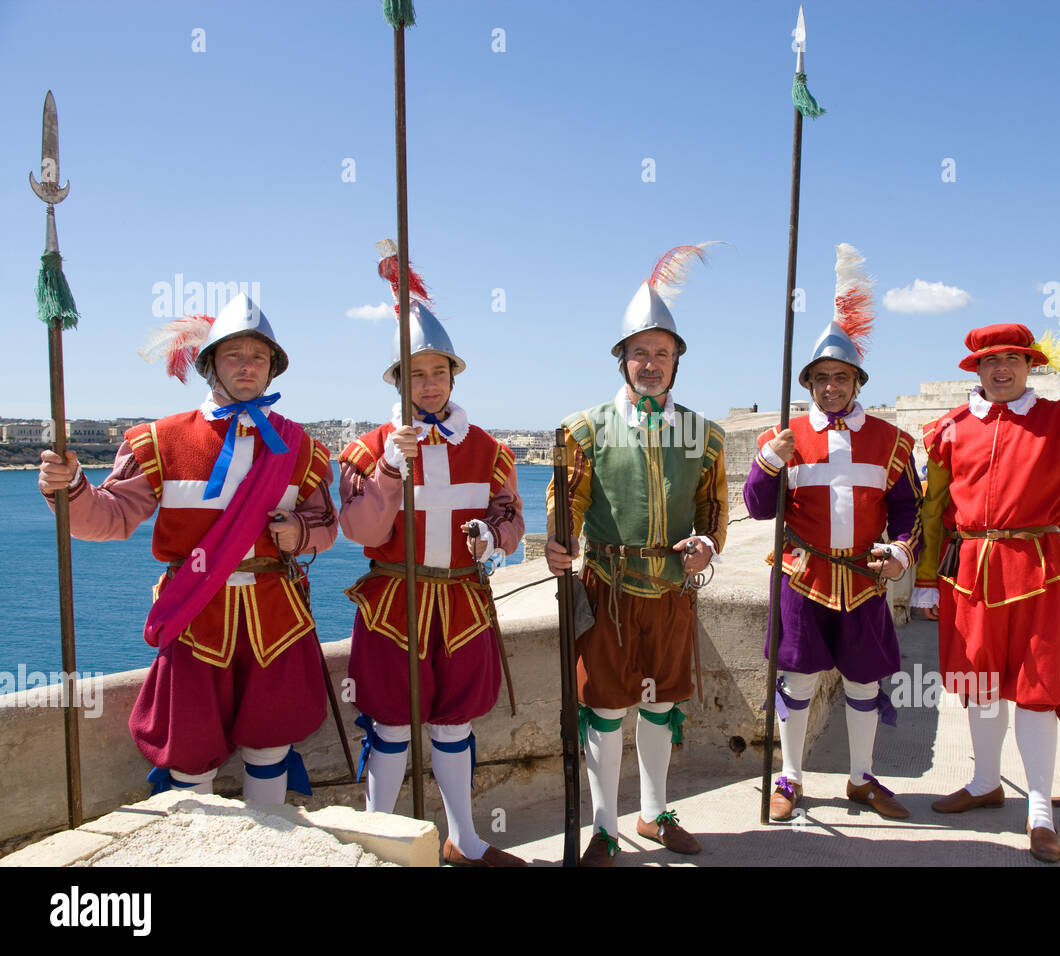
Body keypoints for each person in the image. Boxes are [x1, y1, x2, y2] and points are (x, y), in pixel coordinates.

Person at [37, 294, 337, 803]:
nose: (247, 366)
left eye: (258, 357)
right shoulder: (160, 440)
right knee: (189, 746)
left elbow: (325, 522)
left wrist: (302, 535)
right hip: (197, 615)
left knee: (270, 743)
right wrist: (69, 490)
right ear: (210, 364)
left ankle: (267, 850)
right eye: (234, 355)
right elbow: (108, 518)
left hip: (276, 615)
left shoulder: (301, 447)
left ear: (273, 369)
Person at [910, 322, 1060, 863]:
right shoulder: (948, 430)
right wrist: (926, 583)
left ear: (1029, 366)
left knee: (1036, 690)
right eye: (991, 361)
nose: (1002, 369)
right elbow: (934, 514)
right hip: (970, 571)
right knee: (979, 685)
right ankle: (983, 783)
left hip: (1040, 573)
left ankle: (1040, 808)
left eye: (1013, 360)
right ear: (975, 369)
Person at [339, 246, 526, 867]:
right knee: (390, 725)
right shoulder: (367, 450)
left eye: (438, 373)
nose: (429, 384)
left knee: (453, 725)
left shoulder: (491, 449)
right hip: (394, 600)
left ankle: (464, 840)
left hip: (463, 600)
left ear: (453, 377)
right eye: (416, 374)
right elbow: (362, 530)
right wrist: (392, 467)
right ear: (398, 381)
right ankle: (379, 842)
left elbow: (511, 519)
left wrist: (492, 540)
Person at [546, 243, 728, 866]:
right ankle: (604, 825)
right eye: (640, 353)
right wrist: (557, 543)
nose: (651, 363)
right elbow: (565, 509)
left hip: (672, 591)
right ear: (622, 360)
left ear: (676, 362)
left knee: (659, 704)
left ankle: (653, 813)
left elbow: (713, 509)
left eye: (662, 353)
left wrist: (706, 544)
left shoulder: (705, 435)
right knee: (603, 707)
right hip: (607, 588)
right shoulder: (584, 429)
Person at [743, 243, 921, 822]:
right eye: (820, 378)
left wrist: (898, 549)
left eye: (840, 377)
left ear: (856, 380)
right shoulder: (786, 434)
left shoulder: (892, 440)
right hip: (805, 575)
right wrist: (768, 461)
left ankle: (861, 778)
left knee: (864, 682)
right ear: (810, 383)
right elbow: (758, 509)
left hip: (865, 579)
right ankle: (790, 780)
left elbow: (907, 507)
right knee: (796, 678)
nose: (830, 387)